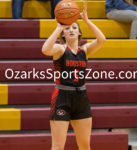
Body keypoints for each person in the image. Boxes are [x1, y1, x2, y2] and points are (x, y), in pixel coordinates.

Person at [42, 3, 105, 150]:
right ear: (63, 34)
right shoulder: (60, 49)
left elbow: (102, 40)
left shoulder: (85, 50)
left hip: (81, 97)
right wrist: (58, 28)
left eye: (74, 28)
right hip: (61, 97)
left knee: (85, 146)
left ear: (79, 33)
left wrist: (88, 22)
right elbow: (45, 49)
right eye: (68, 28)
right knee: (58, 146)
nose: (71, 30)